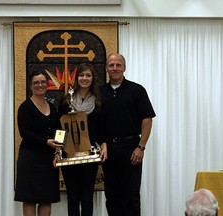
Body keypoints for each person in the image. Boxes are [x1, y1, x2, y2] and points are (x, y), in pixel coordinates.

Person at [98, 53, 156, 216]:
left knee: (131, 196)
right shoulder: (99, 92)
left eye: (118, 65)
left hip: (131, 148)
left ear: (124, 68)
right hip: (109, 150)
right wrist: (102, 142)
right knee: (112, 196)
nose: (115, 68)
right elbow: (97, 122)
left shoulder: (137, 90)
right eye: (111, 65)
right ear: (106, 68)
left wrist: (141, 147)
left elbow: (147, 120)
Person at [56, 63, 107, 216]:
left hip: (90, 154)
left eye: (88, 75)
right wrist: (58, 150)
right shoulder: (66, 101)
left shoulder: (98, 102)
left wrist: (104, 144)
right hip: (69, 153)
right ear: (76, 78)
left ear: (93, 78)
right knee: (72, 196)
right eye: (81, 75)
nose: (84, 78)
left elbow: (102, 127)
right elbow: (59, 128)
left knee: (86, 195)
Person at [14, 71, 63, 216]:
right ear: (31, 86)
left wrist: (58, 152)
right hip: (30, 159)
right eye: (36, 83)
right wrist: (46, 142)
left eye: (43, 82)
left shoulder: (52, 107)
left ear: (47, 84)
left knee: (46, 198)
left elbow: (58, 131)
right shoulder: (25, 107)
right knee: (29, 199)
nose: (40, 85)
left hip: (48, 159)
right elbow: (25, 133)